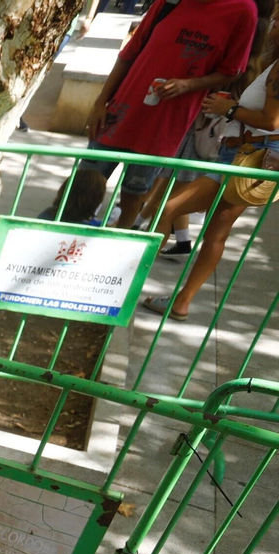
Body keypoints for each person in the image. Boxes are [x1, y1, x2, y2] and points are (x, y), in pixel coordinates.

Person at [83, 0, 257, 230]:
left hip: (165, 126)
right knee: (82, 187)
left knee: (133, 197)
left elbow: (231, 71)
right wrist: (99, 103)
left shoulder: (243, 11)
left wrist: (189, 85)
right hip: (119, 114)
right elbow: (129, 53)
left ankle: (115, 247)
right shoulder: (169, 2)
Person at [143, 28, 279, 321]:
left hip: (250, 159)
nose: (273, 28)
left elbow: (271, 120)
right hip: (247, 155)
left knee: (169, 210)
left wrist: (229, 109)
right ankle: (181, 302)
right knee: (216, 231)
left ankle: (127, 285)